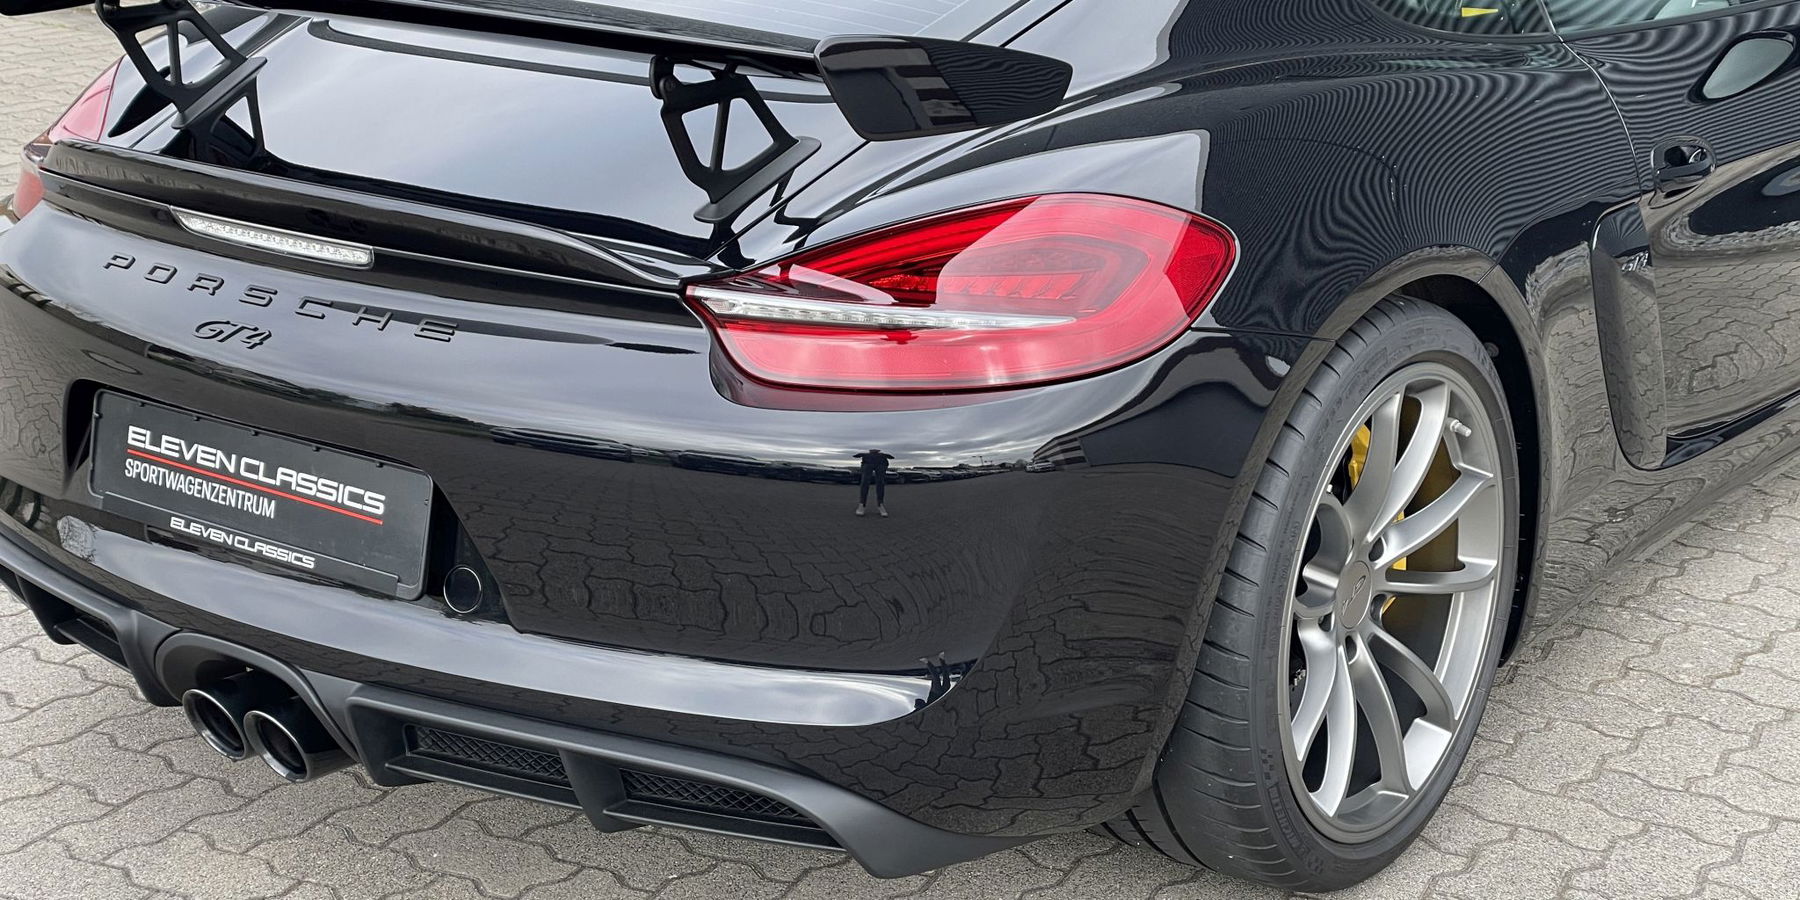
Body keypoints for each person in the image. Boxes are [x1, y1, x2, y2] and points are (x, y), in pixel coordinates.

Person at [854, 449, 894, 517]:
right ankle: (862, 504)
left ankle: (880, 504)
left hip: (881, 461)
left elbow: (891, 457)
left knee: (880, 483)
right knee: (865, 482)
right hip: (868, 460)